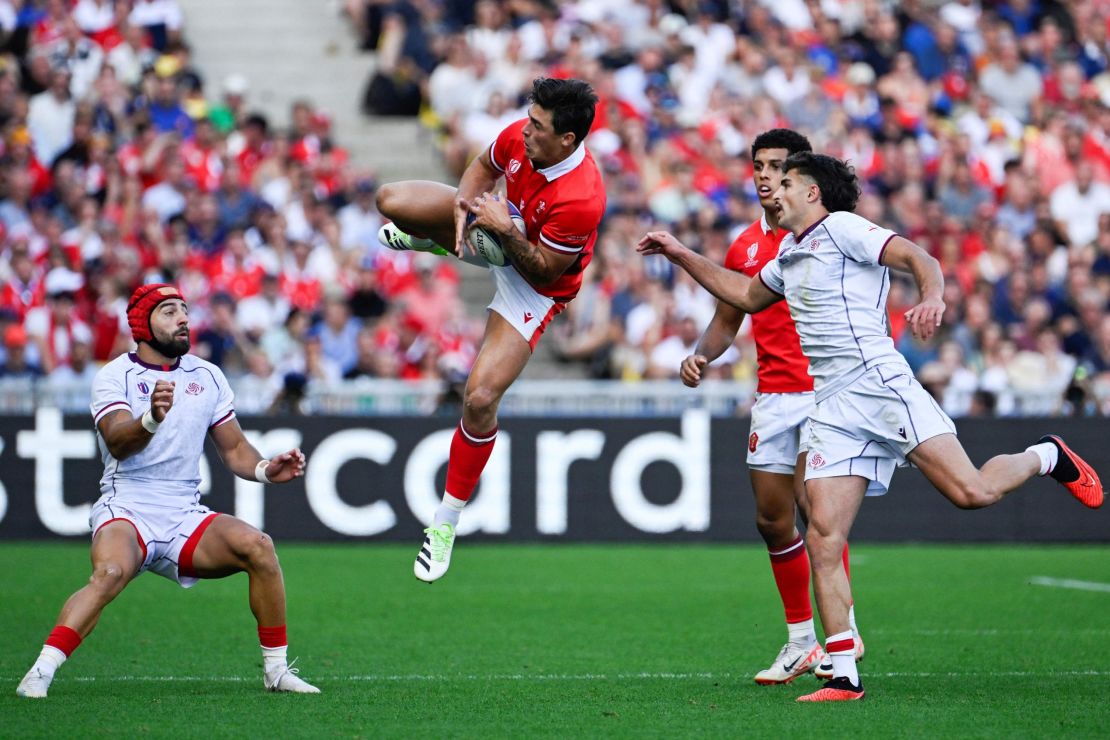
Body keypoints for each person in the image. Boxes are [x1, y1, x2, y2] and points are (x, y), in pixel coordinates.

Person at [637, 152, 1103, 703]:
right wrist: (679, 252)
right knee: (823, 535)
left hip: (879, 384)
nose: (775, 190)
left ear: (812, 194)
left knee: (971, 492)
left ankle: (1048, 454)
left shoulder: (844, 229)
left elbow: (918, 255)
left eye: (786, 182)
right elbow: (741, 294)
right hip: (832, 402)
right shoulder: (788, 253)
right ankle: (843, 672)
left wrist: (933, 296)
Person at [16, 283, 320, 698]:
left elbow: (233, 448)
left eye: (184, 310)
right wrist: (150, 420)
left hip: (182, 510)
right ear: (143, 325)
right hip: (128, 503)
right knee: (109, 574)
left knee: (260, 547)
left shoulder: (207, 375)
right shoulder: (115, 375)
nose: (182, 319)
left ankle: (277, 671)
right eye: (168, 312)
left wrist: (266, 468)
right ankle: (40, 671)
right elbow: (117, 440)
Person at [374, 77, 606, 582]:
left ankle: (445, 523)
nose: (525, 130)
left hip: (536, 284)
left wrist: (501, 230)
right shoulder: (519, 137)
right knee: (389, 200)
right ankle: (445, 242)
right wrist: (461, 218)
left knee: (479, 398)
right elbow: (482, 168)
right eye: (528, 117)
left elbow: (545, 268)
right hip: (495, 227)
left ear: (567, 139)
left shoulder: (583, 196)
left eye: (538, 126)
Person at [680, 130, 861, 686]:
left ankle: (843, 638)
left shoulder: (832, 236)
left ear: (803, 179)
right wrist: (702, 355)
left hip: (824, 392)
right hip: (774, 396)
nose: (765, 177)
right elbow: (728, 319)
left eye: (778, 167)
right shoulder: (745, 246)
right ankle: (802, 640)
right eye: (758, 165)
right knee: (771, 518)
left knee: (817, 509)